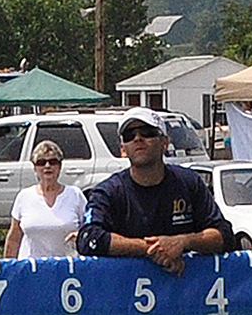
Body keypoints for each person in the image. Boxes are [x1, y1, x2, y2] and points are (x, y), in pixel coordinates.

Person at [79, 107, 231, 273]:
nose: (138, 138)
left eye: (147, 132)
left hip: (183, 284)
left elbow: (224, 235)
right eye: (129, 135)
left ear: (164, 143)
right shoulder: (107, 192)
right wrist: (152, 248)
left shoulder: (190, 183)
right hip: (125, 285)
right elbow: (88, 238)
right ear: (123, 149)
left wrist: (183, 242)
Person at [5, 139, 88, 259]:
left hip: (66, 266)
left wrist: (80, 235)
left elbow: (89, 228)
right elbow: (14, 239)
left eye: (53, 162)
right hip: (32, 266)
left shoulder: (75, 195)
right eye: (41, 162)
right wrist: (7, 266)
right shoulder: (24, 196)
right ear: (34, 167)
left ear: (60, 166)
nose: (47, 166)